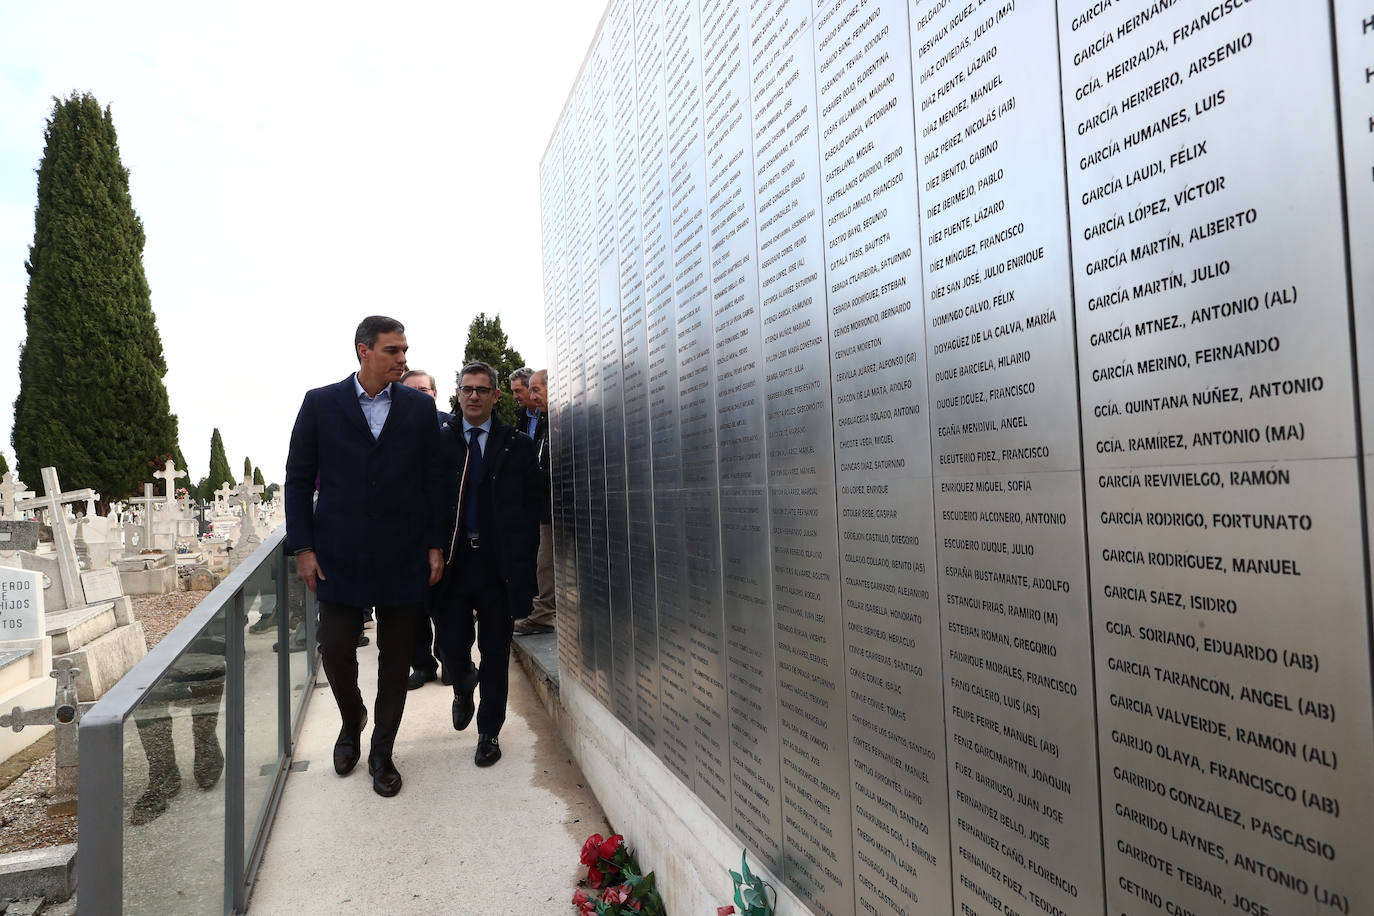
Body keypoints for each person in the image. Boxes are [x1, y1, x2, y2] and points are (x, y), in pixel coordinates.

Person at [285, 316, 443, 797]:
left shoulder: (418, 408)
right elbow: (297, 478)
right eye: (393, 350)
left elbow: (434, 480)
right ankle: (351, 717)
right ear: (363, 351)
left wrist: (435, 545)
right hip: (339, 554)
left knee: (395, 661)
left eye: (405, 350)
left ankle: (382, 752)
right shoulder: (320, 404)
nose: (402, 359)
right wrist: (303, 548)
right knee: (334, 646)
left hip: (403, 554)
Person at [435, 360, 541, 767]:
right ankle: (463, 683)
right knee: (452, 645)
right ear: (457, 394)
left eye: (482, 389)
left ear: (497, 396)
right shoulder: (440, 445)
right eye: (467, 389)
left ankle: (489, 732)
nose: (474, 396)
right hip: (454, 565)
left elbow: (532, 508)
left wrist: (525, 561)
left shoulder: (519, 446)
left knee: (495, 652)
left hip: (500, 567)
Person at [400, 368, 453, 689]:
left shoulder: (452, 426)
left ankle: (450, 659)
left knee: (447, 603)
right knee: (412, 606)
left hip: (446, 529)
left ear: (435, 394)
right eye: (412, 391)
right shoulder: (389, 428)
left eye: (425, 390)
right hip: (406, 534)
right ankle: (421, 664)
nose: (419, 395)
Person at [514, 369, 555, 635]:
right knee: (544, 562)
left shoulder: (562, 419)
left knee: (546, 562)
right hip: (544, 506)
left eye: (535, 389)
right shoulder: (542, 421)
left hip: (556, 507)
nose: (531, 395)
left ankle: (543, 615)